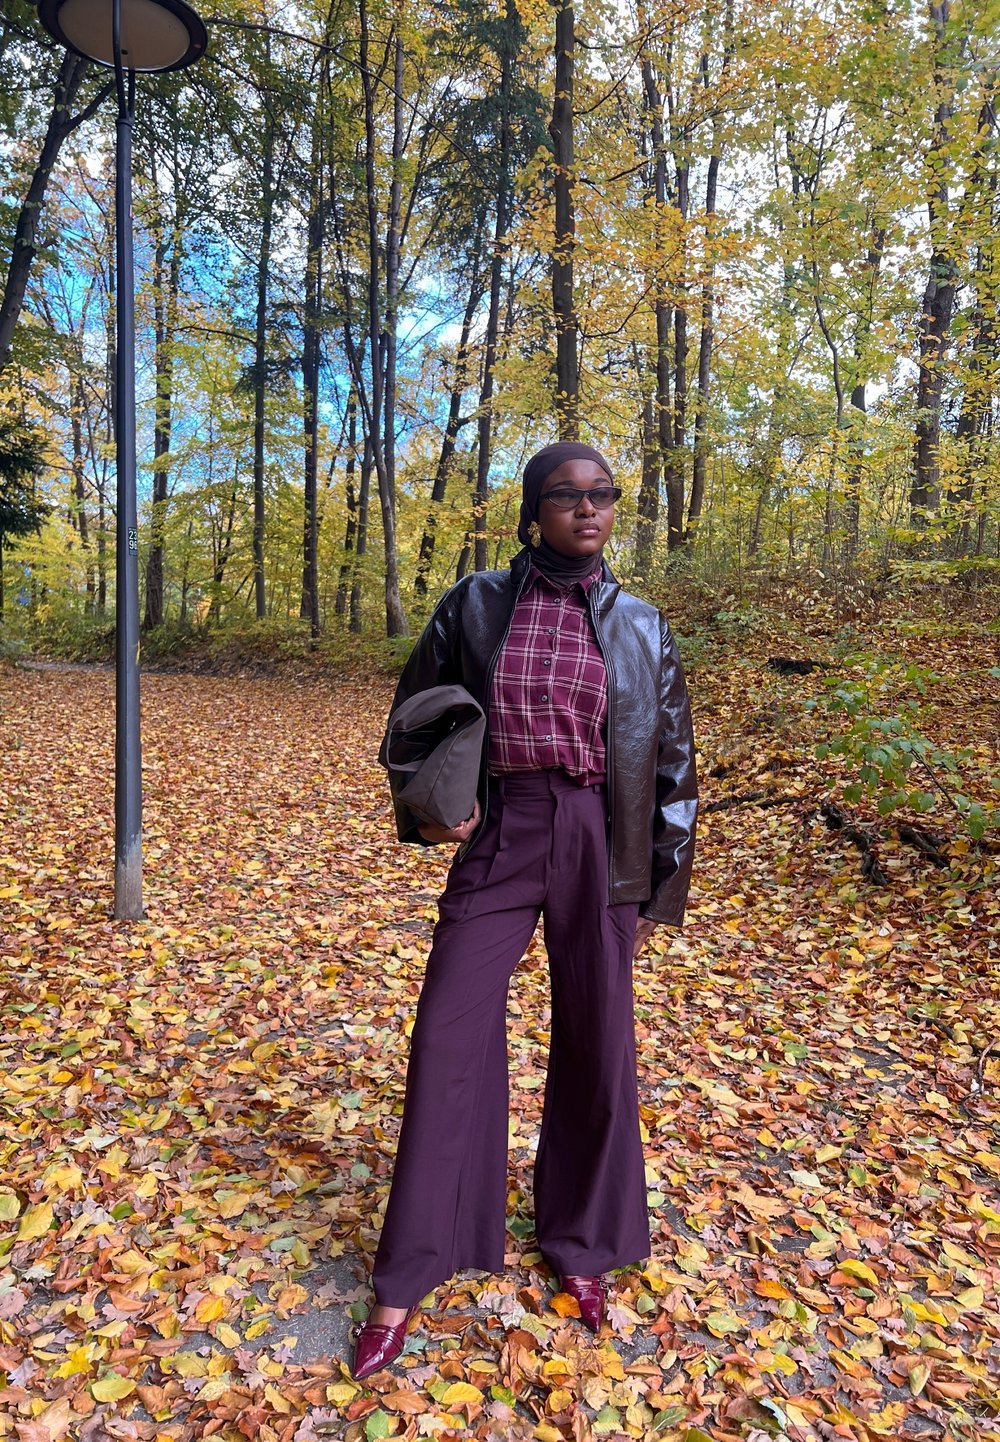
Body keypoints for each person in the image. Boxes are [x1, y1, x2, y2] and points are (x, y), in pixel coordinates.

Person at [351, 441, 698, 1380]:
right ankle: (408, 1272)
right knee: (448, 1034)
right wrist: (431, 806)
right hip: (505, 828)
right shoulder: (473, 604)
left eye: (603, 496)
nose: (588, 510)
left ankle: (582, 1246)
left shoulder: (641, 625)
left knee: (598, 1039)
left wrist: (654, 886)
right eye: (566, 496)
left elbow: (672, 768)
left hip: (601, 837)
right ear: (533, 511)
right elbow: (414, 715)